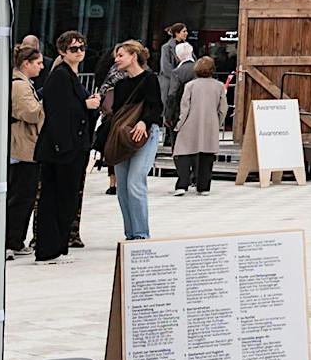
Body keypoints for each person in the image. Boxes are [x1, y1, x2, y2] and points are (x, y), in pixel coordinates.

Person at [33, 32, 98, 263]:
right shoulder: (60, 75)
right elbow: (58, 111)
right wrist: (85, 104)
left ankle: (56, 245)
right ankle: (49, 247)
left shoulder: (70, 74)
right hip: (63, 149)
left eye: (82, 47)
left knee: (64, 198)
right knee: (56, 198)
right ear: (62, 52)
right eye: (73, 48)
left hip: (70, 147)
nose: (79, 52)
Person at [98, 41, 165, 242]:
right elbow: (119, 113)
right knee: (123, 188)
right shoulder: (120, 85)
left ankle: (141, 234)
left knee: (135, 182)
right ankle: (131, 233)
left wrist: (144, 122)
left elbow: (156, 107)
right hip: (123, 137)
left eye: (120, 55)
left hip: (144, 134)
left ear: (133, 56)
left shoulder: (150, 79)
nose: (116, 60)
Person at [7, 40, 45, 257]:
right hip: (22, 147)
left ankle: (15, 238)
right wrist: (44, 104)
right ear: (25, 63)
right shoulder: (20, 85)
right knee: (22, 196)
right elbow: (30, 113)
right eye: (37, 62)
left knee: (23, 195)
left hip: (23, 146)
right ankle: (13, 240)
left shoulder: (23, 83)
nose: (41, 66)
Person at [172, 58, 228, 197]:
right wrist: (218, 122)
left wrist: (179, 124)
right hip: (210, 124)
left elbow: (184, 108)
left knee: (183, 152)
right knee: (207, 155)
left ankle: (182, 184)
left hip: (190, 123)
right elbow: (223, 108)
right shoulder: (219, 86)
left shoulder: (190, 85)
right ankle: (204, 187)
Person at [165, 40, 197, 142]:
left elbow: (172, 94)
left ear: (177, 56)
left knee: (178, 141)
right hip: (198, 109)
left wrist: (168, 115)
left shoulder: (177, 72)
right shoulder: (200, 69)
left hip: (180, 110)